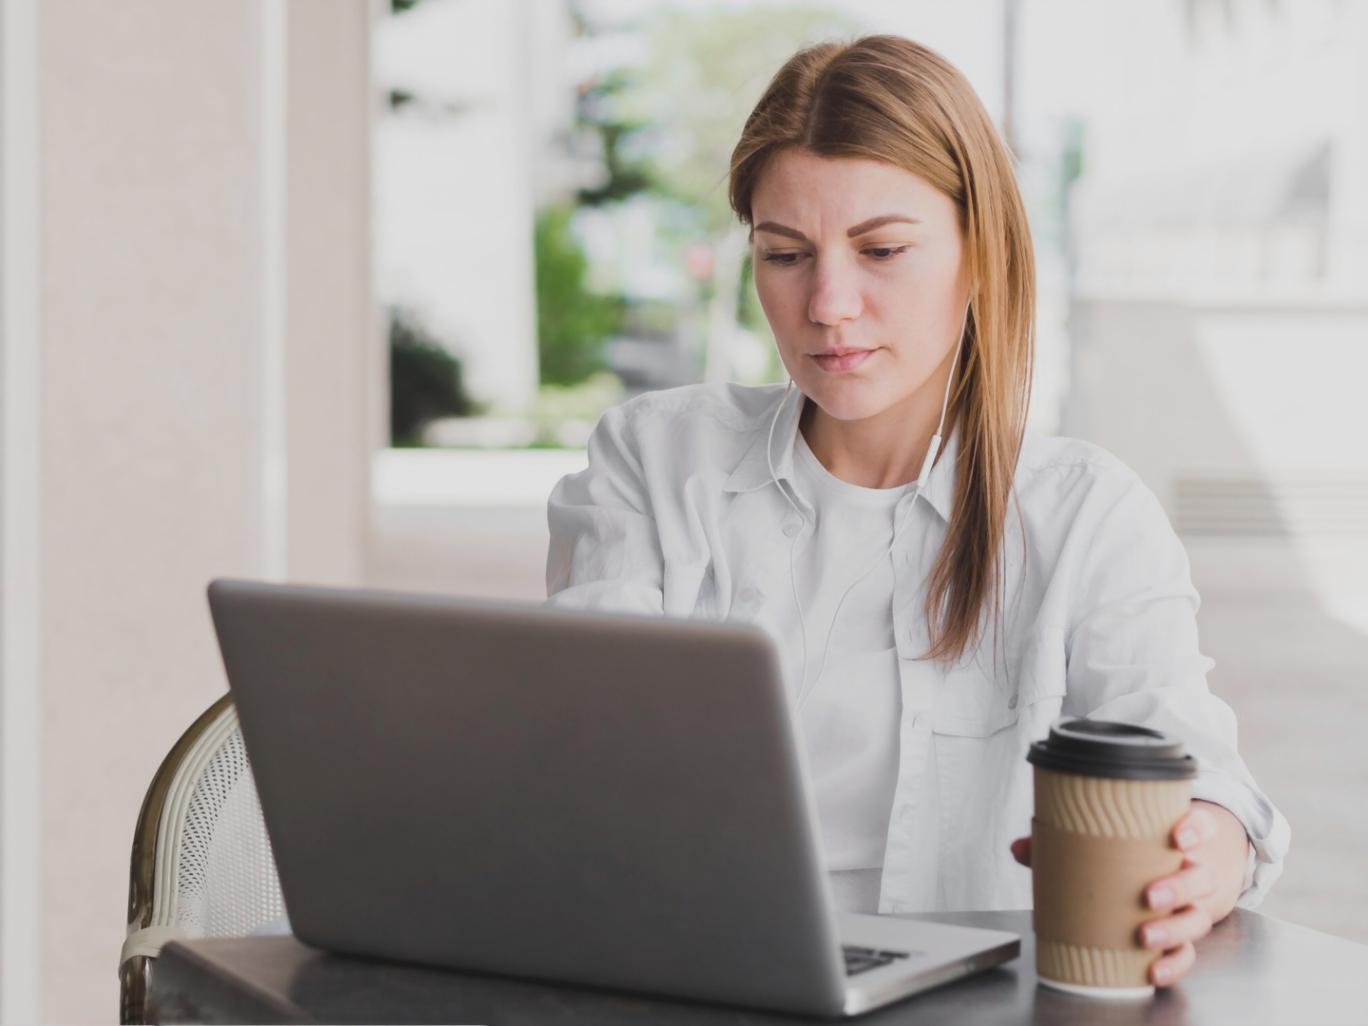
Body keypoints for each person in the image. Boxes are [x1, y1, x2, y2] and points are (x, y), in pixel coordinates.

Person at [543, 34, 1289, 989]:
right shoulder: (655, 461)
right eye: (784, 254)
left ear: (980, 253)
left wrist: (1210, 845)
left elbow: (1196, 762)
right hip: (685, 981)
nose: (828, 304)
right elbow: (578, 751)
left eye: (882, 250)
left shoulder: (1085, 515)